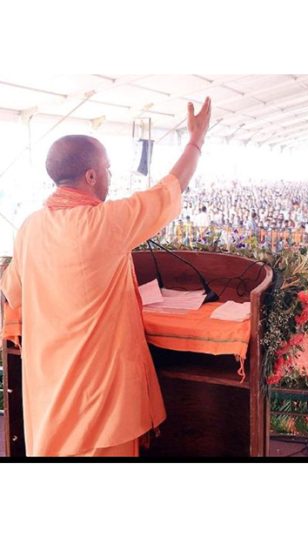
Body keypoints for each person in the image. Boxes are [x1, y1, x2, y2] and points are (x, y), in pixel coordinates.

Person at [0, 97, 212, 457]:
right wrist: (196, 139)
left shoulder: (30, 228)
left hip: (49, 393)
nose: (111, 177)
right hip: (97, 398)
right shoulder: (105, 224)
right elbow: (171, 188)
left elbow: (13, 295)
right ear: (92, 176)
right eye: (109, 169)